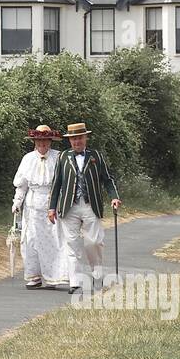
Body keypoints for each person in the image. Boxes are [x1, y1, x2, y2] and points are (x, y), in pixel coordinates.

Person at [47, 122, 121, 292]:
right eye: (73, 139)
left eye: (79, 138)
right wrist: (51, 208)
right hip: (69, 206)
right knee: (72, 243)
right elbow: (56, 183)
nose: (76, 141)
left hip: (90, 204)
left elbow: (108, 179)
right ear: (69, 140)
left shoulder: (96, 156)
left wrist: (114, 197)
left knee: (93, 242)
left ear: (85, 138)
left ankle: (97, 276)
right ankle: (74, 281)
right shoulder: (63, 157)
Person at [12, 125, 70, 289]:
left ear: (50, 142)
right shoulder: (28, 158)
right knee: (31, 240)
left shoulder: (59, 157)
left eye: (45, 141)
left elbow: (65, 183)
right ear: (34, 142)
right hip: (32, 206)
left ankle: (53, 277)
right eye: (39, 141)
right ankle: (34, 276)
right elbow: (22, 185)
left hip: (52, 204)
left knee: (53, 240)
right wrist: (17, 202)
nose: (42, 145)